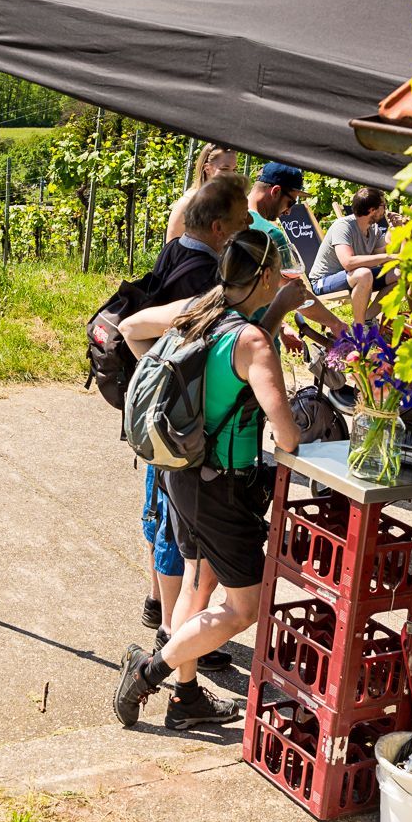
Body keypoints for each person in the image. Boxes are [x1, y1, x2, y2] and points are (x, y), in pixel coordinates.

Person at [113, 228, 306, 731]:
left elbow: (130, 327)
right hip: (222, 489)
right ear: (267, 275)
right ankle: (149, 671)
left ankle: (186, 698)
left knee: (197, 589)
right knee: (245, 607)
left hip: (183, 474)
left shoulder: (199, 310)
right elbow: (287, 435)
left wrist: (174, 399)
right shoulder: (253, 343)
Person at [135, 174, 250, 668]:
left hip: (165, 430)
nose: (248, 224)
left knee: (162, 520)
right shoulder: (204, 277)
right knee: (174, 532)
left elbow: (138, 329)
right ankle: (172, 639)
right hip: (183, 436)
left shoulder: (175, 251)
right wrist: (175, 395)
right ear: (220, 227)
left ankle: (161, 614)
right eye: (242, 219)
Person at [247, 162, 347, 340]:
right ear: (275, 191)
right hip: (259, 336)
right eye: (290, 202)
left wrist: (282, 326)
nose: (289, 211)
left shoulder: (226, 218)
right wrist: (336, 324)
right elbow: (294, 291)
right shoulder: (270, 233)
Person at [307, 186, 399, 326]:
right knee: (364, 274)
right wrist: (389, 257)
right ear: (372, 210)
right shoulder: (343, 227)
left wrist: (394, 230)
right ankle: (359, 329)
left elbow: (380, 254)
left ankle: (367, 319)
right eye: (383, 206)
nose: (386, 209)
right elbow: (348, 262)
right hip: (324, 281)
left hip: (356, 276)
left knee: (399, 274)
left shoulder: (373, 229)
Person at [162, 143, 237, 242]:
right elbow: (172, 248)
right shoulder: (187, 203)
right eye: (225, 169)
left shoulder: (229, 202)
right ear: (207, 169)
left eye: (234, 169)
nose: (232, 175)